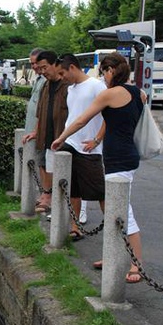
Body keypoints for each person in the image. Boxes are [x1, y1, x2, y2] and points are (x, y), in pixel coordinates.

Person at [51, 52, 144, 283]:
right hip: (128, 155)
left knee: (124, 212)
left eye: (103, 72)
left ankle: (137, 265)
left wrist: (61, 137)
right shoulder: (138, 92)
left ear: (110, 71)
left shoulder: (109, 94)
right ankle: (115, 256)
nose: (103, 77)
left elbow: (82, 119)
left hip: (118, 160)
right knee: (115, 210)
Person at [52, 54, 107, 241]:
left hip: (89, 148)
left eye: (63, 73)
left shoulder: (96, 86)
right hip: (71, 143)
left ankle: (116, 229)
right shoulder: (71, 89)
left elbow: (109, 115)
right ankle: (75, 226)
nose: (62, 77)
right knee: (72, 188)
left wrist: (97, 139)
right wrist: (63, 138)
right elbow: (73, 117)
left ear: (73, 68)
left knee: (100, 191)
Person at [22, 50, 69, 213]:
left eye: (44, 68)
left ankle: (61, 211)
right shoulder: (46, 84)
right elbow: (40, 111)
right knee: (49, 169)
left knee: (62, 174)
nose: (41, 71)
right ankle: (54, 206)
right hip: (47, 136)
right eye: (38, 68)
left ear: (55, 64)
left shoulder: (67, 85)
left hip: (62, 136)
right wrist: (36, 131)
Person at [21, 48, 46, 206]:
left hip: (39, 132)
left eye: (35, 63)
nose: (34, 66)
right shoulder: (38, 79)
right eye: (31, 63)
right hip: (32, 130)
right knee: (39, 163)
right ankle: (43, 194)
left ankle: (45, 196)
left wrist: (37, 130)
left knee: (43, 164)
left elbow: (42, 110)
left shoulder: (45, 81)